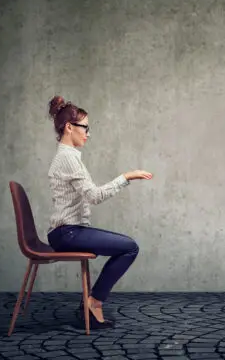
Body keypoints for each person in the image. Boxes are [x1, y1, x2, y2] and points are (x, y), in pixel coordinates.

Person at [46, 95, 152, 329]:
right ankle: (93, 303)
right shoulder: (68, 159)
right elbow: (94, 196)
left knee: (127, 246)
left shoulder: (69, 157)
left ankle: (92, 302)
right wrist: (126, 177)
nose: (88, 133)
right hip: (67, 233)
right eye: (85, 127)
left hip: (68, 231)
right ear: (69, 127)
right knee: (130, 247)